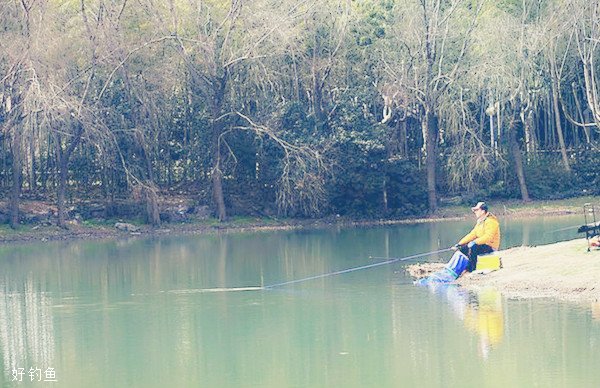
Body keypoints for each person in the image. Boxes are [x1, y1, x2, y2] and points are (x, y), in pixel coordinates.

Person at [453, 201, 501, 273]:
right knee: (463, 248)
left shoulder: (491, 221)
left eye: (477, 210)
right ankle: (464, 267)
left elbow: (488, 237)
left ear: (483, 211)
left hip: (490, 246)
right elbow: (472, 234)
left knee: (473, 247)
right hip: (481, 245)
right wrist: (459, 244)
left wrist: (475, 242)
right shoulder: (480, 222)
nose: (475, 212)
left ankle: (472, 269)